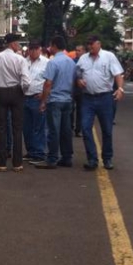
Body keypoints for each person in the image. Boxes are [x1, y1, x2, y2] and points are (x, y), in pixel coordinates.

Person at [77, 34, 125, 171]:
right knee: (85, 128)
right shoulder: (83, 58)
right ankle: (92, 159)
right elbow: (78, 72)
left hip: (105, 98)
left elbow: (118, 75)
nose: (90, 46)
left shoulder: (109, 57)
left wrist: (120, 89)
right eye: (88, 44)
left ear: (99, 44)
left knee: (107, 130)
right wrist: (78, 80)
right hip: (87, 99)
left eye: (92, 44)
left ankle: (107, 158)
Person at [0, 32, 29, 172]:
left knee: (2, 129)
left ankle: (1, 163)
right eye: (18, 43)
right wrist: (22, 91)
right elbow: (26, 80)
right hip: (16, 92)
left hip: (1, 93)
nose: (19, 45)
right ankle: (17, 163)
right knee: (17, 129)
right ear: (13, 44)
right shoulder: (20, 59)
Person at [35, 34, 76, 169]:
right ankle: (67, 157)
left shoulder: (52, 62)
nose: (49, 48)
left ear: (55, 46)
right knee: (66, 130)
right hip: (67, 100)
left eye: (51, 45)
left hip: (55, 100)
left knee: (53, 130)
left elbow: (48, 83)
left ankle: (52, 158)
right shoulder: (71, 62)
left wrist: (43, 101)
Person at [23, 40, 48, 164]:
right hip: (24, 98)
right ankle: (30, 151)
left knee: (38, 127)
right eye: (31, 49)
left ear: (40, 49)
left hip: (37, 98)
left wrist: (45, 95)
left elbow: (51, 80)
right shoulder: (23, 61)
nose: (33, 51)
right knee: (26, 127)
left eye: (35, 49)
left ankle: (39, 153)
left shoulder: (46, 63)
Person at [71, 43, 86, 136]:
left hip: (81, 89)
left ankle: (78, 129)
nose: (77, 52)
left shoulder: (86, 61)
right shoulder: (72, 61)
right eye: (76, 50)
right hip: (72, 88)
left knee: (81, 110)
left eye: (79, 50)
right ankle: (70, 127)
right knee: (70, 109)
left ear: (84, 51)